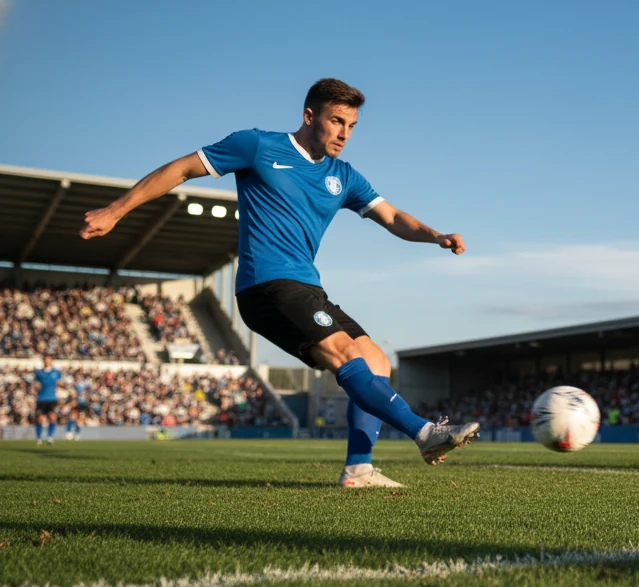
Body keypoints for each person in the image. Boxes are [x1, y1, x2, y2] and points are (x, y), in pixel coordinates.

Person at [80, 78, 477, 487]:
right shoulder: (258, 146)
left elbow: (392, 217)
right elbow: (182, 168)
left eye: (352, 125)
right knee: (344, 353)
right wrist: (116, 210)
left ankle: (358, 470)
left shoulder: (344, 176)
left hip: (307, 288)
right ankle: (425, 433)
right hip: (265, 286)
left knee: (375, 361)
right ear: (309, 116)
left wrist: (435, 236)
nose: (344, 133)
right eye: (336, 121)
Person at [30, 355, 61, 445]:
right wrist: (36, 387)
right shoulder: (39, 373)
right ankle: (39, 437)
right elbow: (35, 384)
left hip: (52, 398)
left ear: (51, 361)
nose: (47, 361)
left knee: (52, 417)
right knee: (40, 419)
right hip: (41, 398)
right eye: (45, 360)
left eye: (48, 360)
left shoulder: (56, 372)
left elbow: (59, 383)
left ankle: (50, 437)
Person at [65, 376, 90, 440]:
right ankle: (75, 434)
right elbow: (87, 394)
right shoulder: (85, 384)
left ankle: (70, 432)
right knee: (78, 419)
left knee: (75, 418)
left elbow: (74, 394)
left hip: (78, 403)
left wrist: (73, 401)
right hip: (83, 403)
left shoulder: (76, 384)